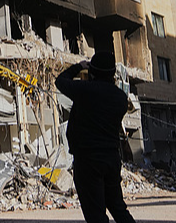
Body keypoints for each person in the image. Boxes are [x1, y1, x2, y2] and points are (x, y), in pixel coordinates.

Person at [56, 52, 136, 223]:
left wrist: (79, 66)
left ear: (92, 71)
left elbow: (61, 81)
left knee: (95, 214)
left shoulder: (86, 91)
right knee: (117, 206)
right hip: (111, 158)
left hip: (88, 159)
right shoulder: (120, 98)